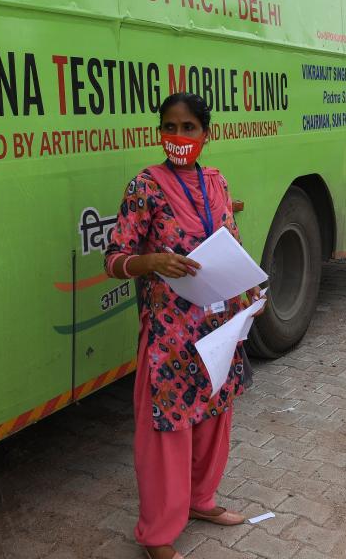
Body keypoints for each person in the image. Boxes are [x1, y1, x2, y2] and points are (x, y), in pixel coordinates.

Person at [104, 93, 261, 559]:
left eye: (188, 127)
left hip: (218, 327)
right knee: (167, 432)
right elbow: (113, 258)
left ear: (205, 133)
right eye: (169, 127)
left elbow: (232, 246)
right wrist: (146, 261)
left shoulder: (216, 181)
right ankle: (158, 533)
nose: (178, 137)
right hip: (169, 333)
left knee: (214, 419)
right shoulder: (144, 187)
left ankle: (201, 501)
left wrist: (252, 300)